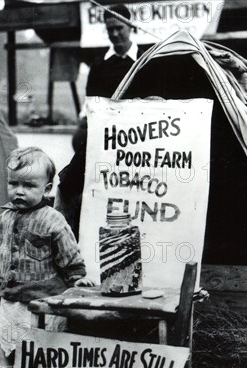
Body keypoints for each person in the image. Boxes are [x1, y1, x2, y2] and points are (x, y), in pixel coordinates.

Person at [0, 147, 94, 368]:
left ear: (47, 189)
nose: (19, 191)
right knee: (8, 337)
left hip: (44, 298)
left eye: (28, 185)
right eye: (13, 183)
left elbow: (68, 251)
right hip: (11, 297)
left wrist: (78, 277)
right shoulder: (4, 219)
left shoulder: (52, 220)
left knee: (42, 340)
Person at [62, 4, 143, 238]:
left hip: (137, 138)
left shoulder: (144, 61)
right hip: (105, 136)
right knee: (72, 182)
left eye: (119, 28)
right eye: (110, 30)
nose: (115, 34)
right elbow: (90, 106)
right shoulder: (99, 66)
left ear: (130, 26)